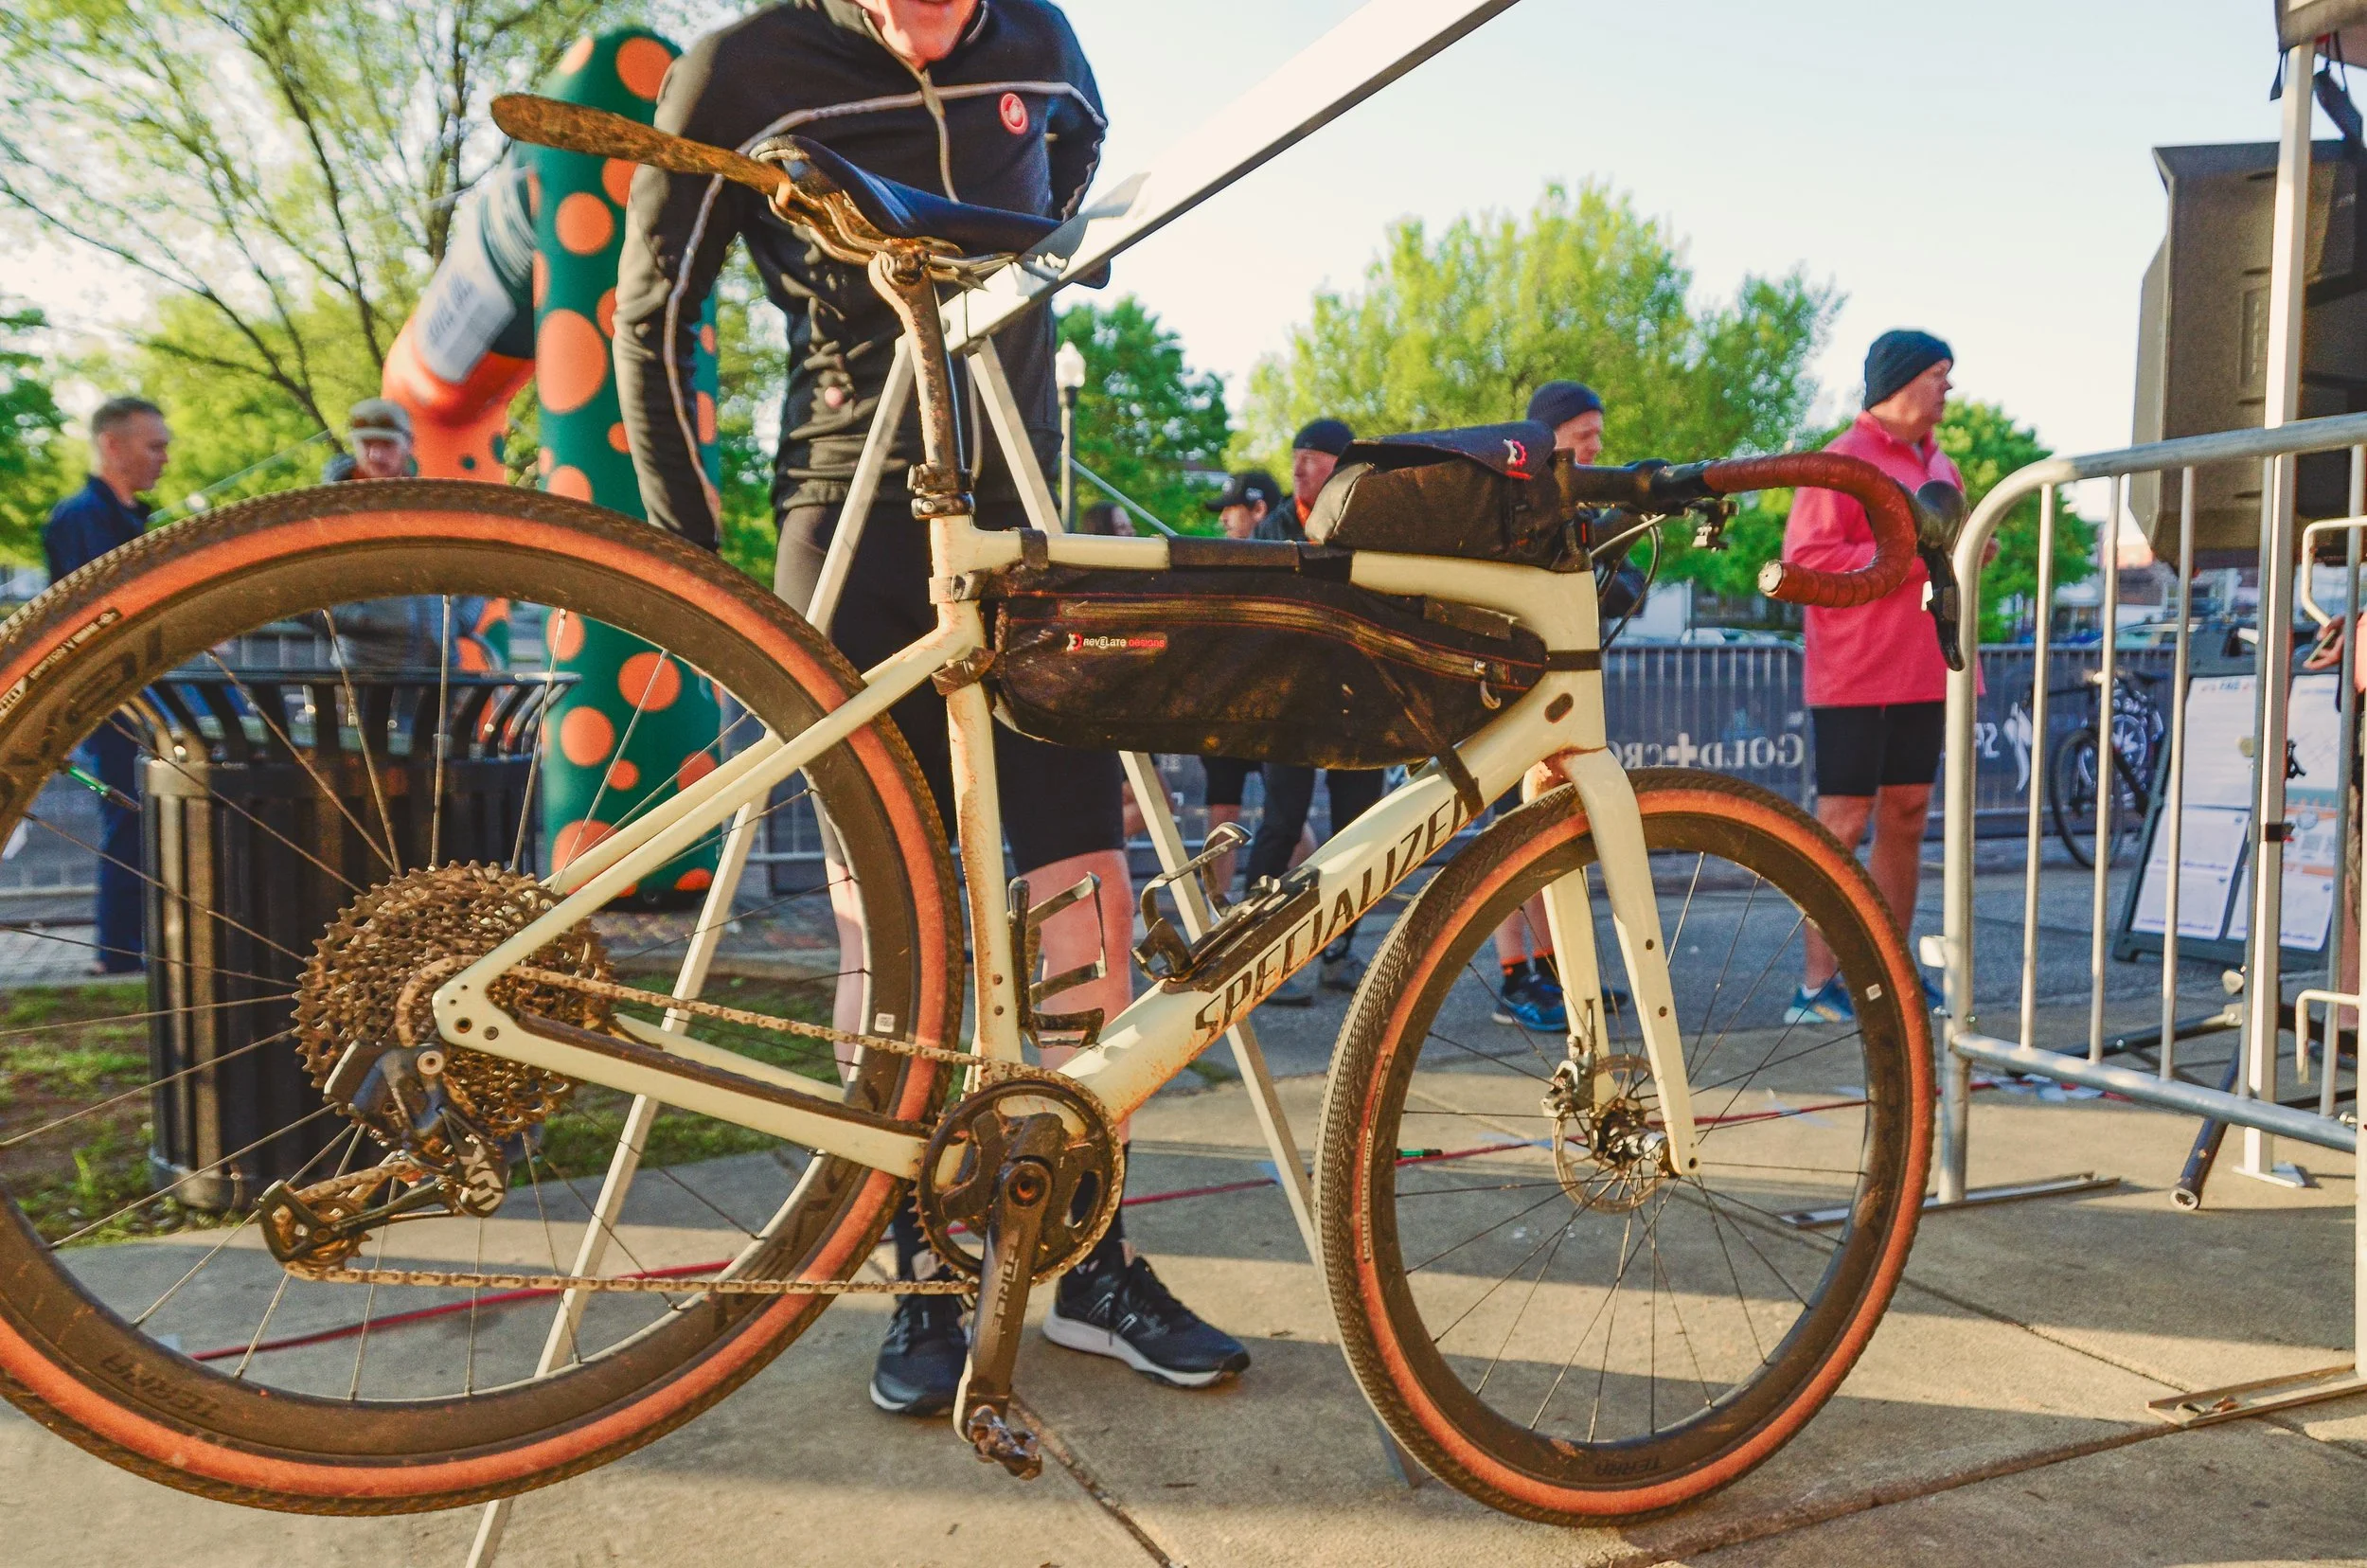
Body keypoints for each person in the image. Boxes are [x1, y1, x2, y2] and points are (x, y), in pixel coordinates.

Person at [614, 0, 1246, 1417]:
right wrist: (686, 552)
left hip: (1023, 510)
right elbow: (652, 310)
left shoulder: (1042, 37)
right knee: (891, 923)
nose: (922, 21)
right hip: (848, 510)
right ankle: (920, 1262)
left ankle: (1079, 1251)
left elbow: (1074, 176)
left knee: (1085, 896)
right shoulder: (741, 66)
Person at [1783, 330, 1964, 1023]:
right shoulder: (1840, 461)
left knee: (1909, 814)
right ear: (1902, 379)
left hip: (1926, 664)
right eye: (1939, 373)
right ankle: (1818, 984)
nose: (1949, 386)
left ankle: (1890, 971)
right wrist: (1919, 554)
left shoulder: (1941, 463)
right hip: (1855, 669)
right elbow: (1808, 560)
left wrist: (1968, 551)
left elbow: (1945, 552)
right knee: (1843, 819)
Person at [1243, 419, 1383, 1001]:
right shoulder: (1272, 528)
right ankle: (1252, 951)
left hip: (1358, 697)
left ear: (1341, 466)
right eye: (1296, 455)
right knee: (1281, 822)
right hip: (1291, 697)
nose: (1299, 466)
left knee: (1361, 830)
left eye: (1313, 456)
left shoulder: (1374, 522)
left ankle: (1339, 951)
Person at [1487, 381, 1609, 1031]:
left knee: (1551, 832)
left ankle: (1555, 969)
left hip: (1554, 687)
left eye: (1599, 434)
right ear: (1547, 438)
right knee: (1512, 837)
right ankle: (1516, 976)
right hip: (1511, 687)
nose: (1596, 447)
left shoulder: (1575, 502)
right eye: (1584, 434)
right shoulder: (1516, 495)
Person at [44, 396, 170, 972]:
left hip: (145, 690)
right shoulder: (79, 519)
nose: (165, 458)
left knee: (146, 813)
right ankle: (118, 953)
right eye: (155, 445)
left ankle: (136, 947)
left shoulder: (131, 519)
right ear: (112, 445)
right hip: (109, 697)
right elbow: (100, 615)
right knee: (127, 812)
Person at [1196, 470, 1286, 891]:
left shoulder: (1290, 563)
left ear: (1259, 510)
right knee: (1224, 810)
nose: (1222, 520)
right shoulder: (1219, 566)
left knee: (1285, 816)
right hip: (1226, 707)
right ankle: (1213, 916)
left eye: (1230, 510)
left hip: (1274, 708)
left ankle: (1316, 903)